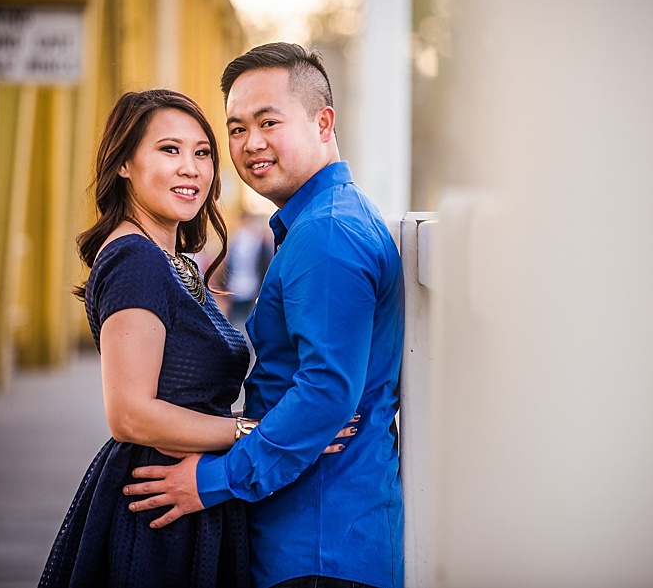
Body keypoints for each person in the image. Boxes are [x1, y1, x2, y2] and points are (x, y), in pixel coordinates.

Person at [39, 88, 352, 587]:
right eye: (169, 150)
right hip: (159, 501)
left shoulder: (174, 260)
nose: (191, 168)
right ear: (123, 163)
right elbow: (129, 414)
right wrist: (264, 433)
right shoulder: (134, 259)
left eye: (202, 152)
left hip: (188, 491)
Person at [125, 43, 406, 588]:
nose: (250, 143)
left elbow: (326, 392)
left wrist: (209, 482)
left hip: (321, 548)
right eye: (235, 128)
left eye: (268, 122)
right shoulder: (328, 219)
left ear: (323, 122)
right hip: (322, 535)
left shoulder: (327, 233)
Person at [224, 211, 273, 329]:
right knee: (240, 319)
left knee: (241, 319)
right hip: (239, 286)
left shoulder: (253, 240)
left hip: (246, 285)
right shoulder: (237, 240)